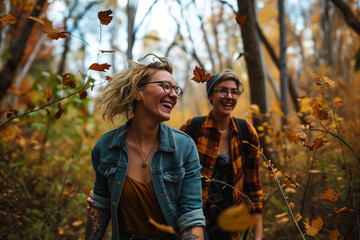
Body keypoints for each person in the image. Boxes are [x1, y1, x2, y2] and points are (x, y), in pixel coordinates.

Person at [85, 54, 205, 240]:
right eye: (165, 86)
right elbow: (100, 205)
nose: (173, 95)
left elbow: (191, 218)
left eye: (176, 90)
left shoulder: (184, 148)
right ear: (137, 92)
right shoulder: (106, 146)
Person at [179, 69, 263, 240]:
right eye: (223, 90)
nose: (229, 96)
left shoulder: (246, 133)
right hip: (194, 224)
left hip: (231, 228)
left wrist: (258, 236)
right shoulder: (192, 128)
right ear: (211, 96)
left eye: (234, 92)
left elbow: (254, 189)